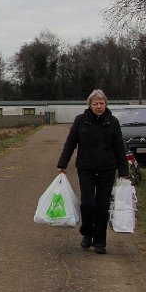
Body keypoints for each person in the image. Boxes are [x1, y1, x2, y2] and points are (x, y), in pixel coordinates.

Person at [57, 89, 128, 254]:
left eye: (101, 103)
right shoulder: (80, 121)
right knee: (88, 204)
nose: (99, 106)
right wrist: (63, 163)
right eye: (95, 103)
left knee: (102, 206)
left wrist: (123, 170)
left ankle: (100, 242)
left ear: (106, 104)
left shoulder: (113, 122)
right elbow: (70, 143)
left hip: (107, 170)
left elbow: (119, 147)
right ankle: (87, 233)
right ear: (90, 105)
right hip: (86, 169)